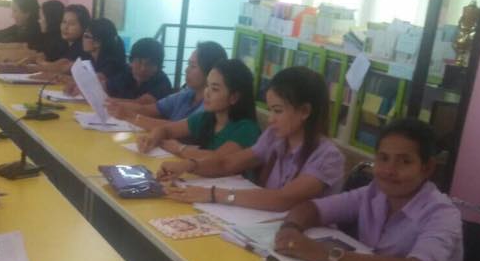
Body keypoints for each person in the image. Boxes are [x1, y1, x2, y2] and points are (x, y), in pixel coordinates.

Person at [274, 118, 464, 261]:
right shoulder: (373, 192)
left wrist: (326, 254)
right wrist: (290, 229)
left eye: (405, 161)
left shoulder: (442, 213)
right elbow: (312, 208)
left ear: (427, 168)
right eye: (383, 158)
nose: (389, 170)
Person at [155, 67, 343, 211]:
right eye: (270, 110)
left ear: (305, 111)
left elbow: (283, 199)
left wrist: (212, 194)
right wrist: (188, 165)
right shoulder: (274, 136)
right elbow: (227, 163)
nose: (271, 119)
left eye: (278, 111)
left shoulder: (328, 157)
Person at [136, 59, 261, 160]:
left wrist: (180, 148)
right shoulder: (206, 117)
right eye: (207, 85)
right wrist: (151, 139)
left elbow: (218, 159)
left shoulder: (247, 129)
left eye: (215, 89)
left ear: (234, 97)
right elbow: (166, 130)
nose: (207, 93)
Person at [107, 41, 227, 128]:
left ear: (211, 71)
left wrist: (129, 116)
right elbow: (147, 109)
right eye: (188, 65)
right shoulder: (186, 95)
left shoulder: (211, 104)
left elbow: (177, 128)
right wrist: (110, 104)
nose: (186, 70)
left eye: (193, 66)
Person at [106, 37, 173, 100]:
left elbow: (141, 103)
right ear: (131, 62)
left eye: (149, 64)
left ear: (158, 67)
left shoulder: (162, 81)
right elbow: (107, 88)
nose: (143, 69)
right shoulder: (124, 73)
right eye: (139, 62)